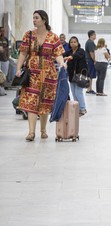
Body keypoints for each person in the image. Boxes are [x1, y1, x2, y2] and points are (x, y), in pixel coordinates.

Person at [16, 10, 67, 141]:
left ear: (44, 20)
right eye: (33, 18)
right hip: (32, 73)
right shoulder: (28, 35)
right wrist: (18, 69)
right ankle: (31, 132)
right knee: (31, 101)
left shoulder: (53, 37)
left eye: (36, 18)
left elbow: (58, 53)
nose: (34, 20)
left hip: (49, 73)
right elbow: (22, 53)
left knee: (45, 101)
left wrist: (62, 63)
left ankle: (43, 130)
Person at [63, 36, 88, 115]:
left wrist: (70, 57)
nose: (73, 43)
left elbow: (77, 55)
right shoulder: (69, 51)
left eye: (75, 42)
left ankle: (82, 108)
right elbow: (62, 55)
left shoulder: (81, 51)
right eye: (71, 42)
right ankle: (77, 108)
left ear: (78, 43)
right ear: (69, 43)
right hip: (71, 75)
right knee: (73, 92)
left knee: (78, 92)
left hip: (79, 75)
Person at [85, 30, 97, 94]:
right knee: (89, 75)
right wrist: (95, 60)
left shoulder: (90, 42)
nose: (95, 36)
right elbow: (91, 53)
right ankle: (88, 89)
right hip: (90, 61)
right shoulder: (90, 42)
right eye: (94, 34)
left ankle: (90, 88)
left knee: (90, 76)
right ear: (91, 35)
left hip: (89, 60)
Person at [0, 26, 9, 96]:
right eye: (1, 31)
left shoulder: (6, 39)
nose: (2, 32)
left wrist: (8, 57)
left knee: (4, 76)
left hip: (5, 59)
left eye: (3, 31)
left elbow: (8, 49)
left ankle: (2, 90)